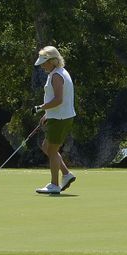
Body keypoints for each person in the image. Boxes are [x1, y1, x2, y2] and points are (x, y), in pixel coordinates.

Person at [33, 45, 77, 195]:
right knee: (46, 146)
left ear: (52, 61)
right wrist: (46, 114)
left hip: (60, 117)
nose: (42, 65)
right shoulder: (58, 73)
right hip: (58, 116)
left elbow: (58, 100)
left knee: (52, 150)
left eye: (44, 62)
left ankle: (54, 185)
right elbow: (57, 100)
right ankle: (66, 174)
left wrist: (40, 107)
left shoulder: (57, 76)